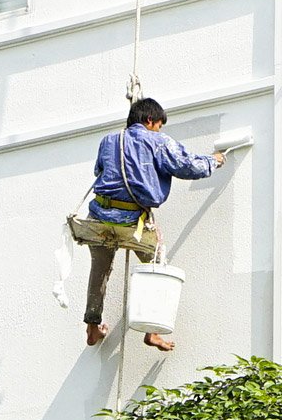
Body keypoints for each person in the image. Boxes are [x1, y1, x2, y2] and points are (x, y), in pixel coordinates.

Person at [84, 98, 225, 351]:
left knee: (100, 270)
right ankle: (152, 332)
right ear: (150, 121)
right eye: (159, 125)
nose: (159, 129)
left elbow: (99, 171)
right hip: (131, 220)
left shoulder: (109, 140)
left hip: (99, 217)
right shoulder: (157, 141)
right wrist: (213, 161)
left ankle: (92, 326)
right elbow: (187, 166)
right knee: (156, 264)